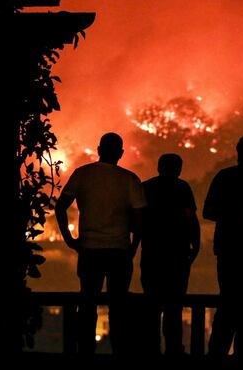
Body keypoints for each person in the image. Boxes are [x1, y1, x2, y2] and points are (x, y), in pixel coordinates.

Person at [55, 132, 146, 354]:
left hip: (90, 249)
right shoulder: (129, 179)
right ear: (121, 153)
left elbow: (60, 207)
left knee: (87, 303)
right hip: (119, 251)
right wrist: (132, 249)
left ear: (98, 150)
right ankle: (120, 351)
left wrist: (70, 240)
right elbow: (141, 219)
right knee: (119, 307)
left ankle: (85, 351)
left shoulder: (82, 174)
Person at [204, 134, 243, 357]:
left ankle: (217, 353)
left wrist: (230, 215)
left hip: (228, 250)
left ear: (238, 152)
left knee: (228, 302)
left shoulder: (224, 177)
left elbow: (208, 211)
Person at [140, 153, 200, 357]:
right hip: (177, 255)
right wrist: (196, 245)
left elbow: (138, 221)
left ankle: (151, 348)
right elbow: (191, 217)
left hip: (152, 255)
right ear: (178, 169)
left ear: (158, 167)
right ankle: (174, 349)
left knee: (152, 306)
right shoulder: (182, 188)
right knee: (174, 307)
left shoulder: (146, 187)